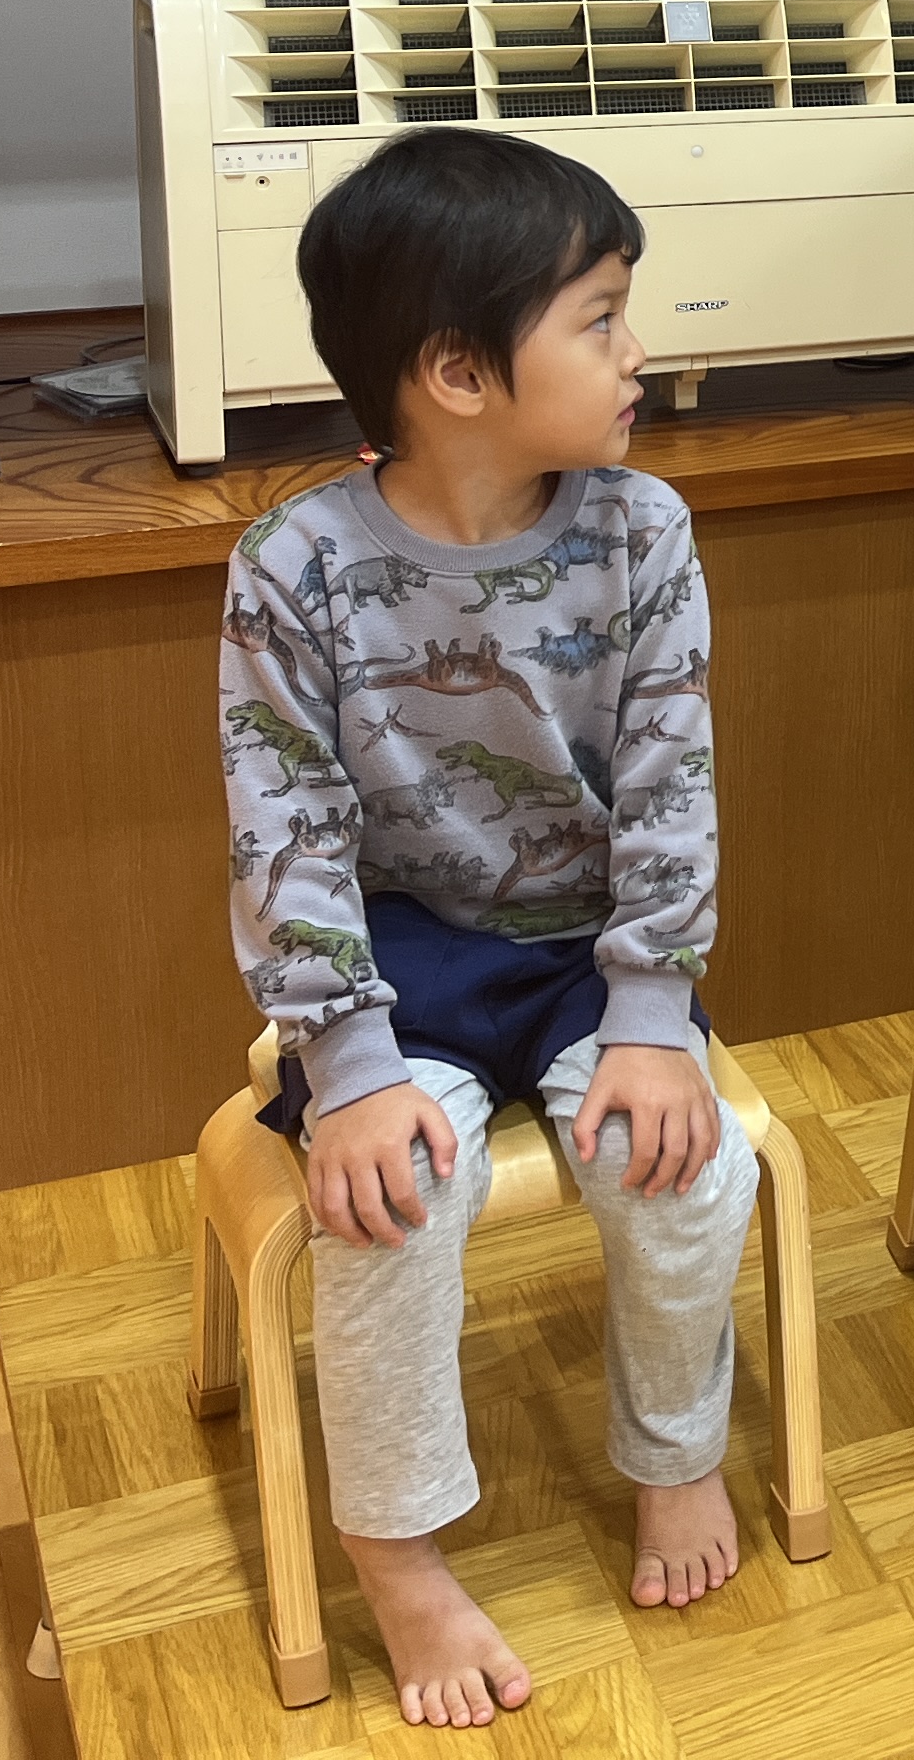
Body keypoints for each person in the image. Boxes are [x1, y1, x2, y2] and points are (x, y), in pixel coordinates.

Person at [221, 128, 751, 1729]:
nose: (637, 351)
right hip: (404, 968)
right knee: (391, 1201)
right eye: (599, 319)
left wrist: (651, 1017)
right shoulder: (294, 567)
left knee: (685, 1168)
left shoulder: (642, 531)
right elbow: (285, 829)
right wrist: (349, 1067)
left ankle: (677, 1458)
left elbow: (671, 784)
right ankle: (396, 1554)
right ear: (457, 372)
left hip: (596, 949)